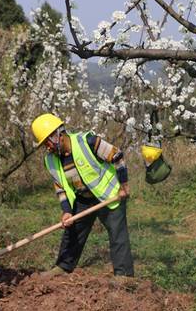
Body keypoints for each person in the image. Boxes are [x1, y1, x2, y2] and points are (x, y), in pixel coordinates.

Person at [30, 113, 133, 277]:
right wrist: (66, 211)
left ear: (58, 135)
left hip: (109, 195)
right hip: (83, 199)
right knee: (72, 233)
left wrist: (124, 185)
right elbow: (61, 189)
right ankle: (63, 267)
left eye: (47, 142)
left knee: (117, 234)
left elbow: (117, 155)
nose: (47, 147)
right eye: (44, 145)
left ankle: (124, 276)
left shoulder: (88, 142)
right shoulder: (51, 160)